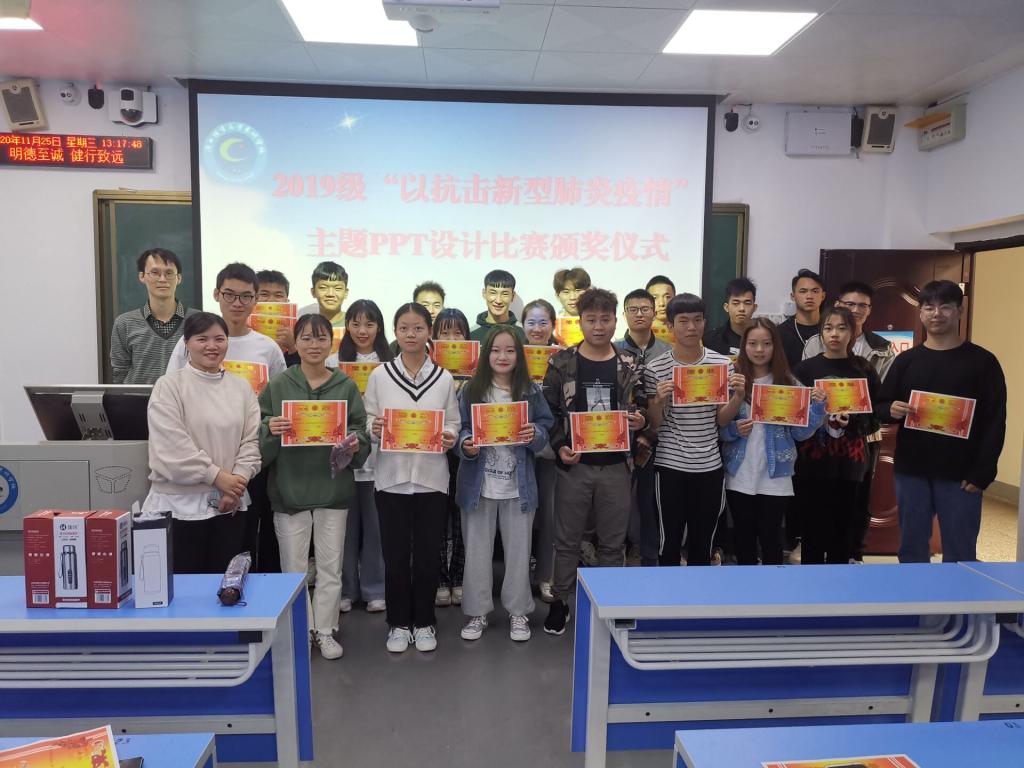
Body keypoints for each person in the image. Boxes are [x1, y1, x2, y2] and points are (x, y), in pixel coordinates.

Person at [259, 313, 370, 660]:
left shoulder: (345, 386)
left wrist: (356, 443)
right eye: (306, 338)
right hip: (289, 489)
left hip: (332, 490)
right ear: (294, 343)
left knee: (330, 567)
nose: (313, 345)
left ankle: (325, 629)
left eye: (321, 338)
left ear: (330, 343)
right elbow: (258, 431)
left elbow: (361, 431)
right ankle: (300, 630)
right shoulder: (278, 385)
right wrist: (270, 428)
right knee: (293, 570)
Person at [876, 280, 1006, 563]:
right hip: (912, 471)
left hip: (961, 474)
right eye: (929, 307)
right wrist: (890, 409)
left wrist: (983, 471)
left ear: (960, 310)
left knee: (960, 552)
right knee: (912, 548)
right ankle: (914, 593)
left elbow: (995, 421)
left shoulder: (983, 362)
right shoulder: (906, 361)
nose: (936, 314)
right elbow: (881, 406)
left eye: (945, 307)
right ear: (921, 313)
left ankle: (957, 594)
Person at [542, 288, 646, 636]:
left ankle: (610, 604)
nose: (598, 326)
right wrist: (560, 447)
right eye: (591, 319)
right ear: (580, 322)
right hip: (575, 466)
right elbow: (548, 413)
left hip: (617, 466)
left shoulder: (630, 362)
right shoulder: (561, 362)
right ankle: (560, 602)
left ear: (615, 321)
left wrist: (641, 420)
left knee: (613, 542)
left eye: (605, 319)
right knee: (567, 540)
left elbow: (643, 405)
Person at [363, 303, 461, 653]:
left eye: (418, 328)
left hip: (432, 479)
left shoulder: (443, 377)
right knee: (395, 556)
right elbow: (368, 418)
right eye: (404, 328)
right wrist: (374, 428)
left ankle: (424, 621)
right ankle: (398, 623)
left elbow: (453, 421)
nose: (411, 334)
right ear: (395, 331)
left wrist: (449, 435)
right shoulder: (380, 375)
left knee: (427, 556)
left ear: (428, 332)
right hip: (391, 478)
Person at [456, 327, 554, 643]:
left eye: (510, 350)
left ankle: (518, 612)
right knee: (476, 554)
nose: (502, 356)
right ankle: (477, 613)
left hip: (518, 487)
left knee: (519, 554)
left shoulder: (530, 391)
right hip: (478, 487)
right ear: (486, 354)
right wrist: (466, 444)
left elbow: (546, 427)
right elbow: (459, 430)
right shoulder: (471, 390)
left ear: (519, 355)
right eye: (496, 350)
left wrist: (534, 434)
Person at [143, 312, 261, 574]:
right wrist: (218, 477)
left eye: (219, 339)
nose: (212, 346)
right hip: (179, 508)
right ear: (186, 343)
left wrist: (235, 485)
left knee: (226, 587)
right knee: (182, 589)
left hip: (230, 505)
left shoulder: (241, 388)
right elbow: (171, 446)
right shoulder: (169, 386)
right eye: (202, 339)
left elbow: (250, 442)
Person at [645, 293, 742, 568]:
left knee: (703, 544)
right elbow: (655, 424)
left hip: (709, 465)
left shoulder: (721, 364)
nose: (691, 327)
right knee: (669, 543)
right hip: (670, 465)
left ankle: (699, 594)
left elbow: (721, 420)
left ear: (704, 323)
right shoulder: (656, 368)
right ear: (670, 326)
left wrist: (738, 397)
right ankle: (667, 594)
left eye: (697, 320)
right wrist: (658, 401)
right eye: (684, 321)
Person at [802, 281, 896, 563]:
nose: (835, 334)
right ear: (821, 332)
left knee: (846, 522)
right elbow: (794, 416)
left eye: (842, 328)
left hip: (852, 460)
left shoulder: (863, 369)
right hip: (813, 460)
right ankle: (810, 577)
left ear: (852, 332)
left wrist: (852, 423)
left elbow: (876, 415)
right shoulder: (805, 369)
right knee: (813, 524)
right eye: (828, 328)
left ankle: (841, 574)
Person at [720, 319, 826, 565]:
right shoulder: (733, 380)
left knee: (771, 538)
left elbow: (800, 434)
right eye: (753, 343)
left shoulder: (788, 383)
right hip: (740, 472)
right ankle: (746, 587)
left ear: (775, 346)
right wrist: (735, 430)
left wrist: (818, 408)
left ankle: (773, 588)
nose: (759, 350)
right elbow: (719, 428)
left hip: (776, 474)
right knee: (744, 537)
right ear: (744, 346)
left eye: (766, 344)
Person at [338, 300, 392, 616]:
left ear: (379, 327)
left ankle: (375, 588)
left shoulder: (391, 365)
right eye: (355, 323)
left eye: (369, 324)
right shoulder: (334, 362)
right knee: (343, 529)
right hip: (344, 457)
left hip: (379, 457)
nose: (362, 330)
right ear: (347, 326)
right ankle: (346, 589)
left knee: (376, 528)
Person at [615, 289, 671, 567]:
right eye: (633, 309)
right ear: (624, 314)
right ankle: (617, 550)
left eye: (645, 309)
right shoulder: (612, 350)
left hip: (657, 438)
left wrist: (649, 426)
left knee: (649, 500)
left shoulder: (668, 351)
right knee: (617, 500)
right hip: (618, 438)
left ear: (654, 312)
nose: (639, 314)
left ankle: (648, 553)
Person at [166, 263, 286, 378]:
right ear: (216, 294)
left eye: (245, 296)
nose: (237, 303)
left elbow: (281, 390)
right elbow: (170, 385)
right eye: (229, 295)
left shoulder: (269, 347)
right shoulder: (192, 340)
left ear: (256, 299)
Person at [432, 308, 472, 607]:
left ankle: (459, 576)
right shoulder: (426, 373)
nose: (451, 339)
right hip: (432, 456)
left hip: (465, 457)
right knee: (435, 517)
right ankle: (439, 579)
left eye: (458, 333)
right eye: (444, 333)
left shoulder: (478, 375)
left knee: (461, 518)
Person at [110, 248, 198, 384]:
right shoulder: (124, 323)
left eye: (169, 273)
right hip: (137, 398)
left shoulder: (198, 321)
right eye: (155, 273)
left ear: (179, 278)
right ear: (142, 276)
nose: (162, 279)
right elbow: (119, 374)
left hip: (184, 397)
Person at [520, 298, 560, 602]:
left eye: (543, 322)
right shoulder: (510, 355)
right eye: (531, 322)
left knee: (549, 514)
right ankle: (517, 578)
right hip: (515, 447)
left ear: (553, 326)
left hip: (550, 447)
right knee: (518, 516)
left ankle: (546, 575)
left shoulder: (563, 359)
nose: (537, 328)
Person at [778, 268, 826, 368]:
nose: (809, 296)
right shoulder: (780, 332)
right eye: (803, 291)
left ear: (823, 296)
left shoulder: (831, 330)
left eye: (815, 291)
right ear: (793, 296)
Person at [703, 277, 757, 358]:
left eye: (747, 303)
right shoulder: (710, 340)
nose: (741, 308)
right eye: (736, 303)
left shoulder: (765, 339)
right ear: (726, 307)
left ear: (754, 307)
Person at [470, 269, 526, 342]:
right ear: (484, 293)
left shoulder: (524, 333)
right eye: (493, 293)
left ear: (512, 296)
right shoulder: (470, 335)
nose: (498, 301)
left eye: (505, 294)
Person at [256, 269, 297, 364]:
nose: (271, 300)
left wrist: (292, 347)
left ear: (287, 301)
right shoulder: (241, 328)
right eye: (264, 294)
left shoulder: (299, 331)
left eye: (278, 295)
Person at [298, 261, 349, 327]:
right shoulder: (304, 326)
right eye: (323, 287)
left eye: (337, 288)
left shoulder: (354, 325)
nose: (330, 294)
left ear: (346, 293)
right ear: (313, 292)